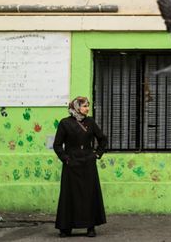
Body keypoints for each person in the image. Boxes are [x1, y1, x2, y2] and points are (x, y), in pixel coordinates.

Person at [53, 97, 108, 238]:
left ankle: (90, 227)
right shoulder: (65, 123)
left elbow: (102, 139)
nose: (87, 108)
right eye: (84, 106)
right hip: (71, 164)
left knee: (89, 195)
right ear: (76, 107)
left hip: (88, 163)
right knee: (69, 195)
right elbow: (57, 145)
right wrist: (66, 159)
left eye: (88, 106)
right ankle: (66, 228)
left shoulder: (90, 122)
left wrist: (97, 154)